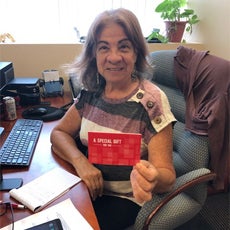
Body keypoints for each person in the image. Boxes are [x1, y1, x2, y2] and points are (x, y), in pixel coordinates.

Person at [50, 8, 176, 230]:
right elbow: (59, 133)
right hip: (87, 187)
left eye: (124, 47)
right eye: (104, 48)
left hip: (126, 199)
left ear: (136, 52)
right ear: (94, 54)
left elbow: (167, 176)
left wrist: (153, 178)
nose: (114, 57)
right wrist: (82, 163)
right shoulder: (91, 92)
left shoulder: (151, 102)